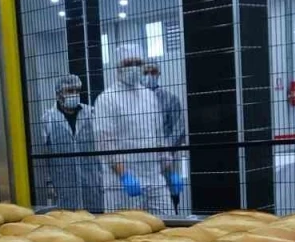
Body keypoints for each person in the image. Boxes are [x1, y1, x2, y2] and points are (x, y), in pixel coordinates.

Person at [93, 44, 175, 215]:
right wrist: (124, 176)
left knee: (167, 223)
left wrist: (170, 171)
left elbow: (159, 137)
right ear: (118, 67)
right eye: (128, 63)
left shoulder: (149, 96)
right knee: (126, 229)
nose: (134, 67)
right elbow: (105, 143)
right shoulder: (106, 99)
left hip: (154, 178)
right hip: (122, 184)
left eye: (138, 63)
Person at [36, 74, 103, 211]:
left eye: (77, 90)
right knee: (68, 220)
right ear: (58, 94)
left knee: (95, 219)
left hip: (92, 183)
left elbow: (102, 145)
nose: (74, 94)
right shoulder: (48, 119)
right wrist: (49, 183)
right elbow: (44, 154)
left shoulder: (91, 114)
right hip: (64, 184)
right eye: (69, 91)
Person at [143, 62, 188, 213]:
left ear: (159, 74)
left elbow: (179, 128)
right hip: (143, 159)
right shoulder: (133, 101)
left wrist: (163, 148)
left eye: (153, 72)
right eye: (146, 72)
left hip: (168, 158)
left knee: (170, 198)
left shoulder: (170, 99)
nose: (149, 75)